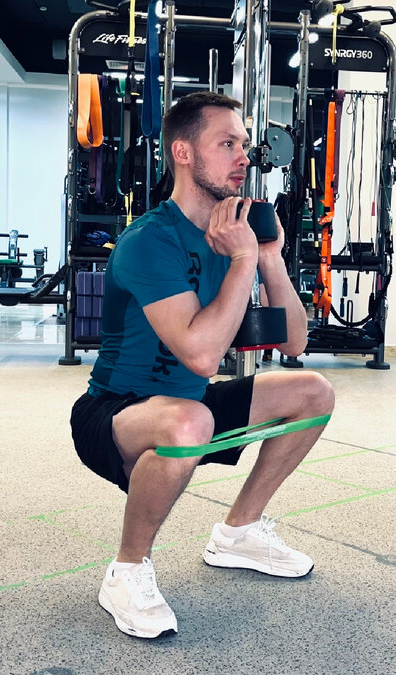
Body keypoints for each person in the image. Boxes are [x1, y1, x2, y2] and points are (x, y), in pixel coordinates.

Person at [69, 91, 335, 639]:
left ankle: (238, 533)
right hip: (115, 412)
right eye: (227, 144)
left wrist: (267, 257)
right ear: (184, 153)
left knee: (313, 392)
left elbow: (294, 343)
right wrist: (242, 260)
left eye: (244, 145)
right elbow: (201, 354)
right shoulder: (150, 241)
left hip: (191, 402)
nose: (244, 157)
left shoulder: (234, 234)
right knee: (191, 421)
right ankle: (126, 571)